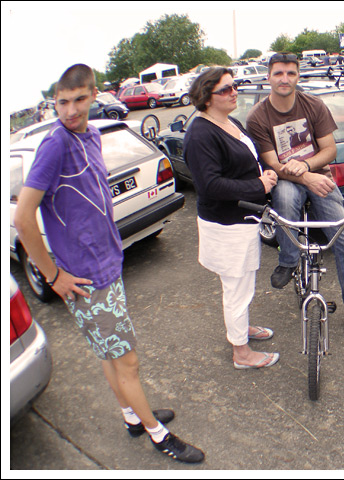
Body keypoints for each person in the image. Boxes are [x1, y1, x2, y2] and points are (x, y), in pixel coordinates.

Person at [13, 64, 204, 464]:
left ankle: (132, 415)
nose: (70, 110)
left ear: (94, 95)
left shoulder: (93, 135)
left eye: (79, 99)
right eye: (62, 103)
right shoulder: (56, 145)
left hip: (107, 266)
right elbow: (23, 216)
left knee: (109, 353)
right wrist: (54, 276)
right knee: (127, 359)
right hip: (84, 279)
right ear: (54, 103)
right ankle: (157, 433)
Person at [246, 53, 344, 324]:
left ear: (298, 76)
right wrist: (306, 177)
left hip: (318, 175)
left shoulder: (313, 105)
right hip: (287, 178)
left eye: (290, 73)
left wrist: (308, 167)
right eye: (278, 73)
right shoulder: (257, 116)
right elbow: (273, 164)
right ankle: (288, 260)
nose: (284, 79)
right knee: (286, 200)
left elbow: (330, 150)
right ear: (268, 77)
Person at [182, 67, 280, 370]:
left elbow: (244, 161)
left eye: (234, 86)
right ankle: (242, 353)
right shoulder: (200, 134)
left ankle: (241, 328)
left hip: (244, 218)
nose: (233, 92)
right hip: (226, 225)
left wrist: (263, 172)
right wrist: (258, 186)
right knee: (236, 287)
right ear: (206, 96)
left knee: (244, 281)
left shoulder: (229, 121)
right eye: (225, 89)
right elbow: (210, 185)